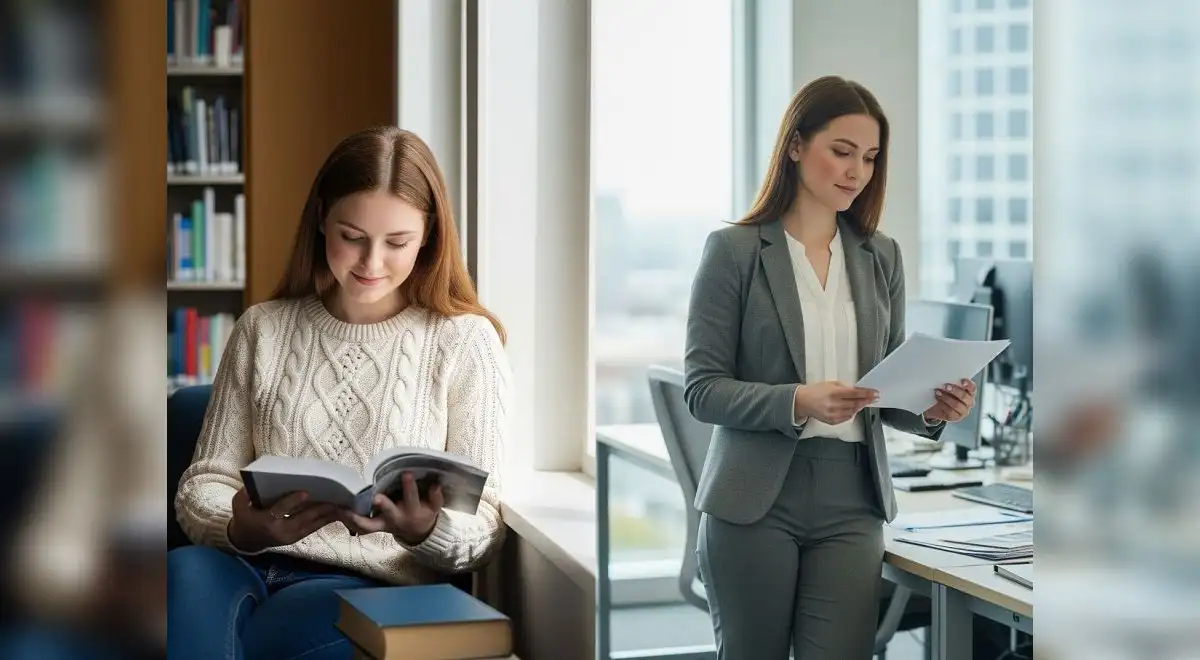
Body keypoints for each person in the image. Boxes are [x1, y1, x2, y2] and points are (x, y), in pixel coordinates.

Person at [167, 126, 513, 660]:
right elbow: (202, 484)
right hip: (239, 564)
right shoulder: (263, 329)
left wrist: (427, 530)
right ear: (323, 217)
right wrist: (241, 524)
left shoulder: (465, 342)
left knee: (276, 636)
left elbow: (485, 522)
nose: (371, 263)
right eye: (352, 236)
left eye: (396, 242)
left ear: (429, 237)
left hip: (371, 586)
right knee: (179, 573)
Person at [684, 75, 977, 659]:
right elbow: (702, 389)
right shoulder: (735, 252)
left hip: (853, 498)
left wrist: (933, 408)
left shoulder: (879, 255)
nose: (856, 171)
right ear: (796, 146)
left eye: (869, 158)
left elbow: (885, 387)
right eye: (841, 152)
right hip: (756, 496)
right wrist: (796, 400)